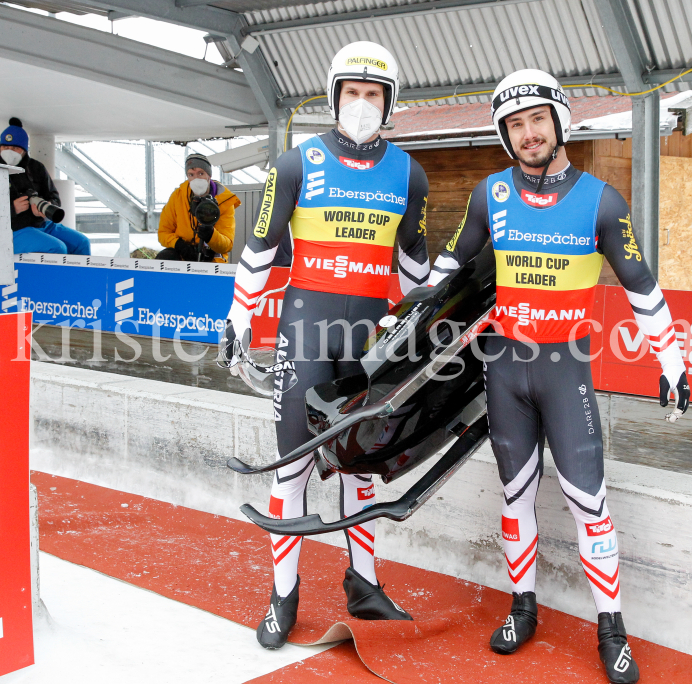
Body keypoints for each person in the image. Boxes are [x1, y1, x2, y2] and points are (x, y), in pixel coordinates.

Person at [428, 70, 691, 684]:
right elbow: (450, 268)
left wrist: (672, 363)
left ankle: (611, 627)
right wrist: (403, 320)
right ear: (505, 134)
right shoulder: (488, 193)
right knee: (515, 495)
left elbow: (643, 288)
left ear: (559, 121)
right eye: (515, 126)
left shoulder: (602, 200)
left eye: (536, 120)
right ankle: (523, 607)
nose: (528, 134)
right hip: (505, 370)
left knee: (587, 503)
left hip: (565, 370)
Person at [219, 41, 431, 649]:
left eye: (373, 95)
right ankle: (283, 594)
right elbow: (258, 251)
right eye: (353, 93)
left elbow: (415, 267)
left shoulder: (409, 172)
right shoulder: (294, 164)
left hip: (365, 338)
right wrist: (238, 318)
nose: (362, 105)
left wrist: (434, 324)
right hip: (304, 329)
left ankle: (362, 583)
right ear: (335, 96)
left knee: (359, 468)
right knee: (293, 470)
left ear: (387, 103)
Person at [0, 118, 90, 256]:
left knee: (81, 242)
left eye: (15, 148)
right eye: (5, 147)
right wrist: (12, 208)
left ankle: (80, 277)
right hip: (11, 230)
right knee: (57, 248)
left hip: (40, 224)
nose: (9, 151)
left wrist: (46, 206)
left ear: (23, 150)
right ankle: (54, 278)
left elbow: (54, 196)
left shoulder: (35, 168)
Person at [157, 153, 241, 263]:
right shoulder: (178, 196)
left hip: (211, 257)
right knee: (165, 257)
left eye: (200, 173)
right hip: (182, 254)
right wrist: (179, 245)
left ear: (209, 176)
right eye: (191, 175)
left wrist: (211, 235)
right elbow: (163, 233)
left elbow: (227, 245)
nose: (196, 179)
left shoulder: (225, 201)